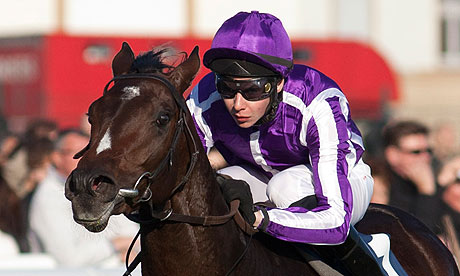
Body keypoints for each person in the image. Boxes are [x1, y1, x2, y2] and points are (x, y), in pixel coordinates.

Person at [186, 11, 382, 275]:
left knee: (285, 187)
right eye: (228, 89)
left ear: (278, 82)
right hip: (261, 173)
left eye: (253, 90)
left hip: (343, 181)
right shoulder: (205, 94)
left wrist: (260, 218)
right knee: (221, 186)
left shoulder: (318, 102)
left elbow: (336, 222)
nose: (238, 104)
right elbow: (185, 169)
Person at [28, 129, 139, 267]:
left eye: (89, 152)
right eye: (79, 152)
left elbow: (132, 234)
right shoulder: (48, 197)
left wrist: (126, 249)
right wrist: (116, 246)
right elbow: (69, 258)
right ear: (56, 157)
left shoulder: (99, 187)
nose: (87, 159)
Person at [382, 120, 443, 234]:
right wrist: (426, 191)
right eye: (416, 152)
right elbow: (418, 236)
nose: (426, 157)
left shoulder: (433, 180)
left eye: (428, 151)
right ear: (392, 154)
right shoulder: (382, 186)